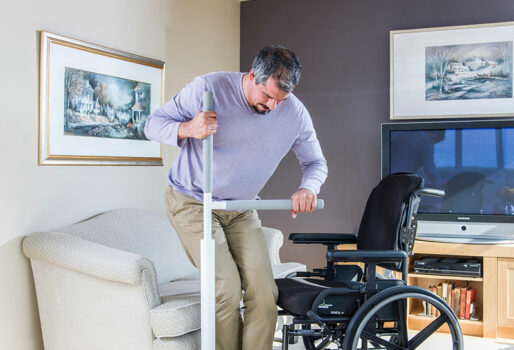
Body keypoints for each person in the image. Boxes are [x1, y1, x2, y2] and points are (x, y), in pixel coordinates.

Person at [144, 45, 328, 350]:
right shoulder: (208, 88)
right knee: (226, 288)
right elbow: (152, 124)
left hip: (241, 207)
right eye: (266, 96)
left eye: (279, 100)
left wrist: (309, 188)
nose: (271, 106)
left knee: (264, 291)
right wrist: (189, 127)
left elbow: (315, 163)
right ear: (253, 75)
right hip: (193, 201)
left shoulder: (293, 112)